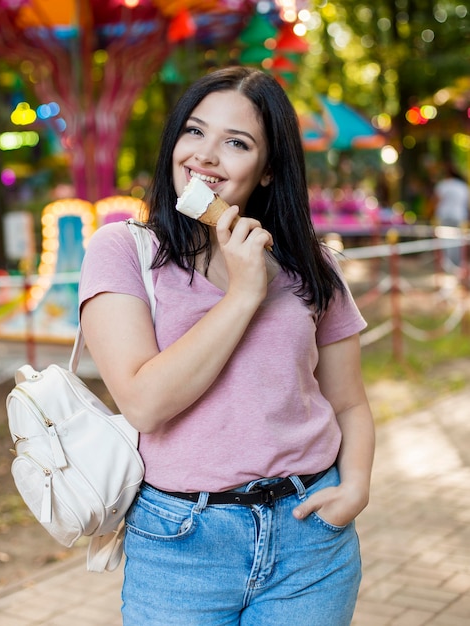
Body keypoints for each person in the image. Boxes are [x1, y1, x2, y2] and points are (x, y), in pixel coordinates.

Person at [79, 67, 375, 625]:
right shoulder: (123, 250)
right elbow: (144, 402)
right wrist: (242, 294)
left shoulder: (313, 265)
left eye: (236, 143)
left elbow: (350, 402)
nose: (205, 157)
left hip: (311, 537)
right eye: (194, 132)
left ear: (267, 172)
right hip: (180, 543)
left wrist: (355, 486)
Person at [432, 162, 470, 268]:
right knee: (457, 240)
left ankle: (448, 264)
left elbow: (436, 201)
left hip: (445, 216)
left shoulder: (443, 185)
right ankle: (457, 263)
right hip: (459, 216)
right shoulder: (462, 186)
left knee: (445, 240)